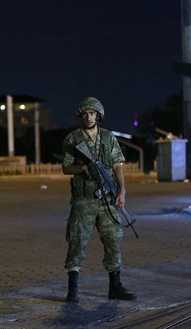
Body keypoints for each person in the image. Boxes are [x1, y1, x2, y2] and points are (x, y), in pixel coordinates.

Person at [61, 96, 136, 303]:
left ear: (98, 115)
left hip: (107, 199)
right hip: (83, 199)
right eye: (85, 114)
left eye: (92, 113)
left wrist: (122, 191)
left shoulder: (108, 137)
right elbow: (66, 167)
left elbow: (118, 164)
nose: (88, 117)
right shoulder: (73, 139)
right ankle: (73, 289)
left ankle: (115, 286)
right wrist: (82, 168)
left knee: (113, 239)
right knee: (76, 240)